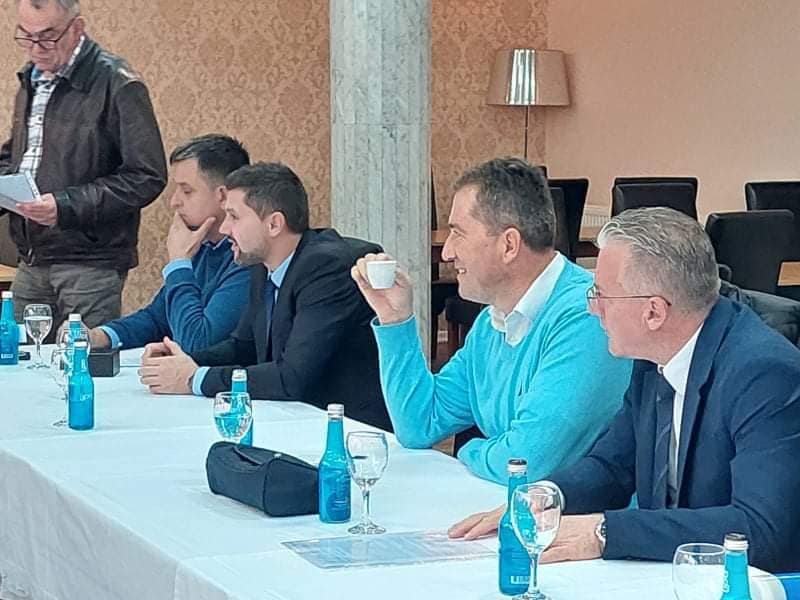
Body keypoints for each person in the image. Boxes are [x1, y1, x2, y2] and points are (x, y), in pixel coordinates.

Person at [449, 208, 800, 572]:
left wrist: (604, 532)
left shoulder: (764, 375)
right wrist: (547, 497)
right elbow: (612, 466)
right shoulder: (653, 357)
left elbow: (759, 529)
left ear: (653, 313)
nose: (592, 309)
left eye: (601, 295)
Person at [351, 157, 632, 483]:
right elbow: (419, 424)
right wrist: (395, 319)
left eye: (458, 234)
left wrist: (467, 451)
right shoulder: (492, 321)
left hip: (579, 514)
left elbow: (525, 462)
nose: (447, 252)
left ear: (509, 245)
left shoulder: (587, 317)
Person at [136, 162, 392, 431]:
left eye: (234, 217)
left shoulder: (326, 268)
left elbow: (291, 377)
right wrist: (185, 361)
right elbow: (243, 347)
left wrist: (194, 379)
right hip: (297, 420)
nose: (224, 229)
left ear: (273, 224)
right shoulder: (263, 265)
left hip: (350, 431)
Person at [0, 0, 167, 330]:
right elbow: (21, 155)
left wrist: (65, 205)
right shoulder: (32, 79)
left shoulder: (118, 83)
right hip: (32, 255)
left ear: (77, 28)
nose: (36, 48)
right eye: (26, 36)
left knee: (80, 355)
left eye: (47, 36)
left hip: (90, 261)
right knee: (17, 355)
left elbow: (146, 175)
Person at [87, 135, 251, 353]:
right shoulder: (203, 247)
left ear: (222, 196)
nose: (174, 202)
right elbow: (157, 319)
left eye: (187, 191)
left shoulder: (247, 256)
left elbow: (199, 344)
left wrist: (180, 264)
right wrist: (102, 335)